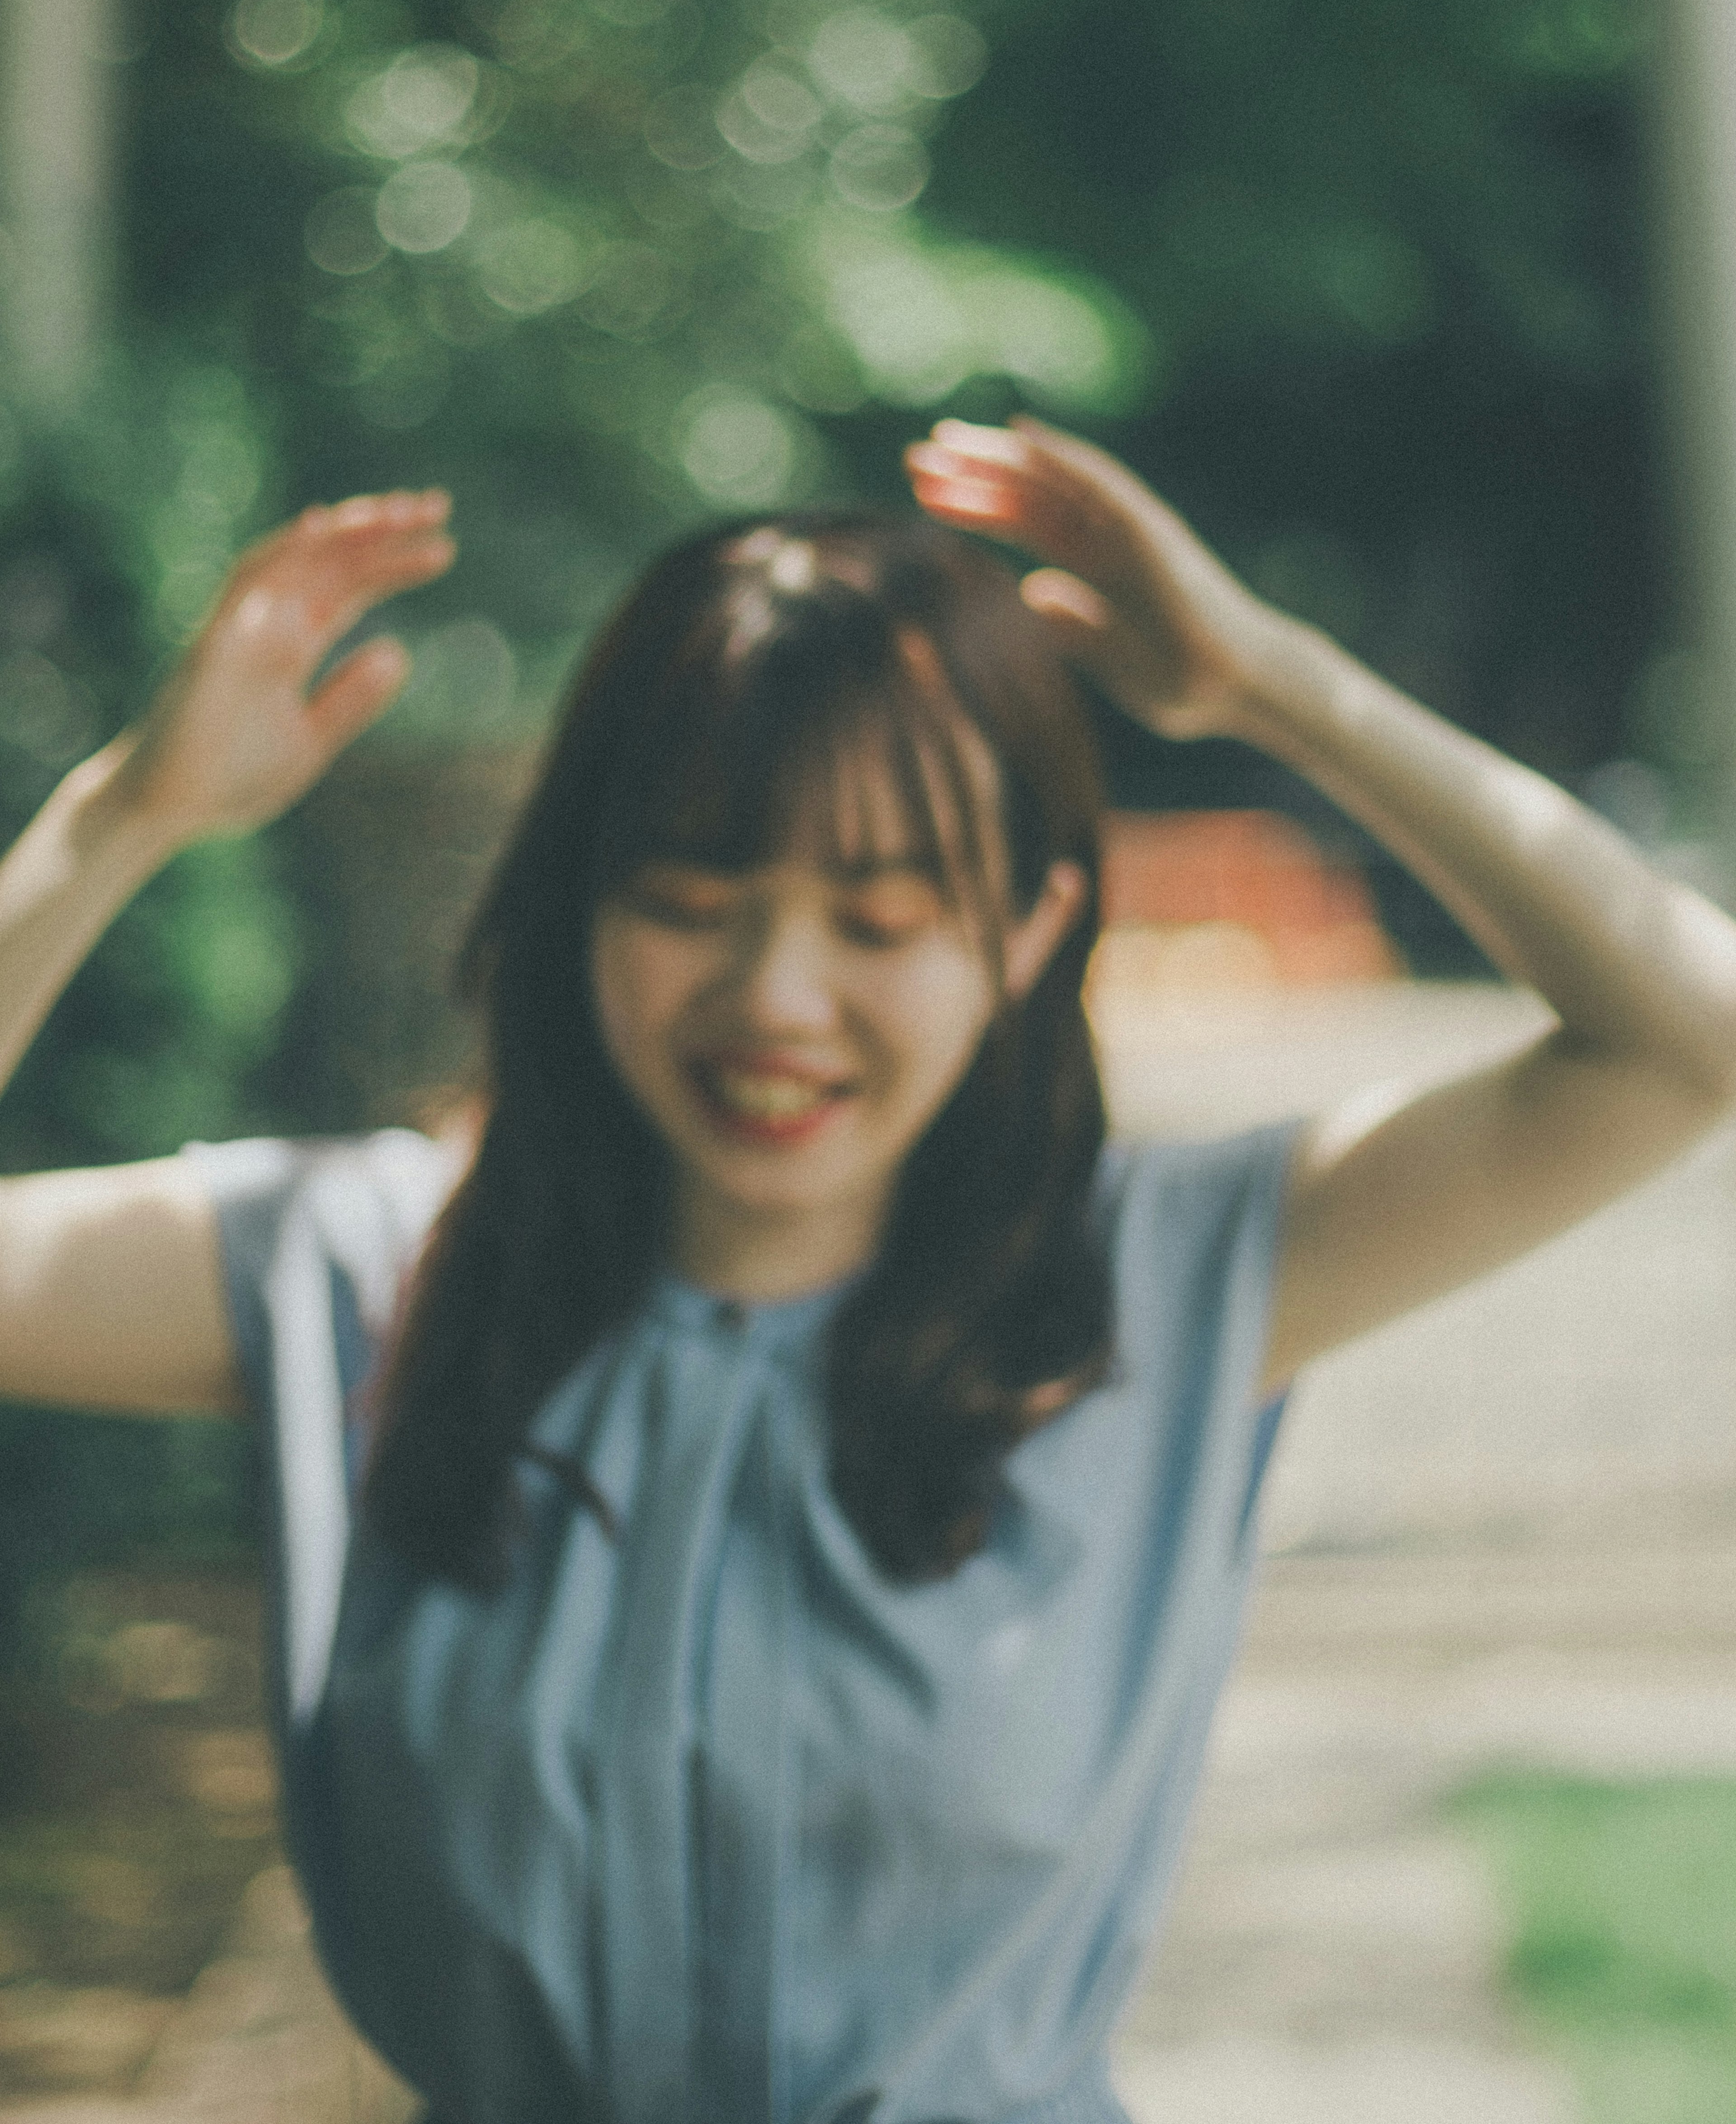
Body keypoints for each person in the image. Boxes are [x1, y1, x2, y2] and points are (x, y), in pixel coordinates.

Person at [0, 418, 1732, 2124]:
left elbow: (1686, 1040)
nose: (778, 994)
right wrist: (117, 823)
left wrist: (1272, 686)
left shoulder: (1167, 1277)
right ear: (575, 906)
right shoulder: (356, 1271)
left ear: (1034, 930)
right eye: (691, 896)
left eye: (884, 919)